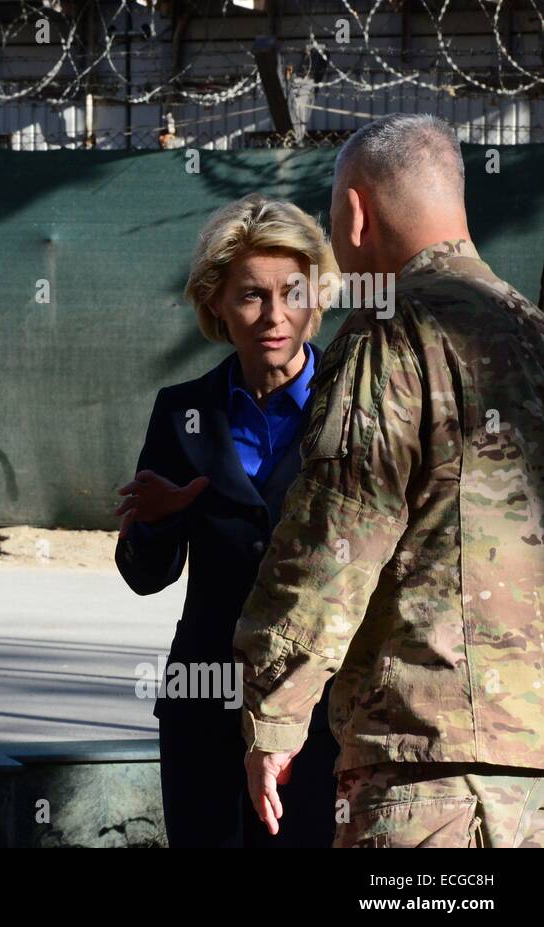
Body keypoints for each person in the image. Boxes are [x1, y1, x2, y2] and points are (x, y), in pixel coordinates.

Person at [235, 113, 544, 847]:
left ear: (355, 213)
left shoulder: (391, 337)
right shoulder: (535, 334)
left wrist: (274, 714)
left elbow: (335, 540)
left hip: (432, 781)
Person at [115, 193, 340, 847]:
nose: (274, 316)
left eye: (291, 293)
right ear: (215, 301)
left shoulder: (356, 402)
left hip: (321, 714)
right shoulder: (183, 412)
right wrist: (152, 524)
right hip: (204, 707)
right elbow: (145, 576)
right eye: (250, 296)